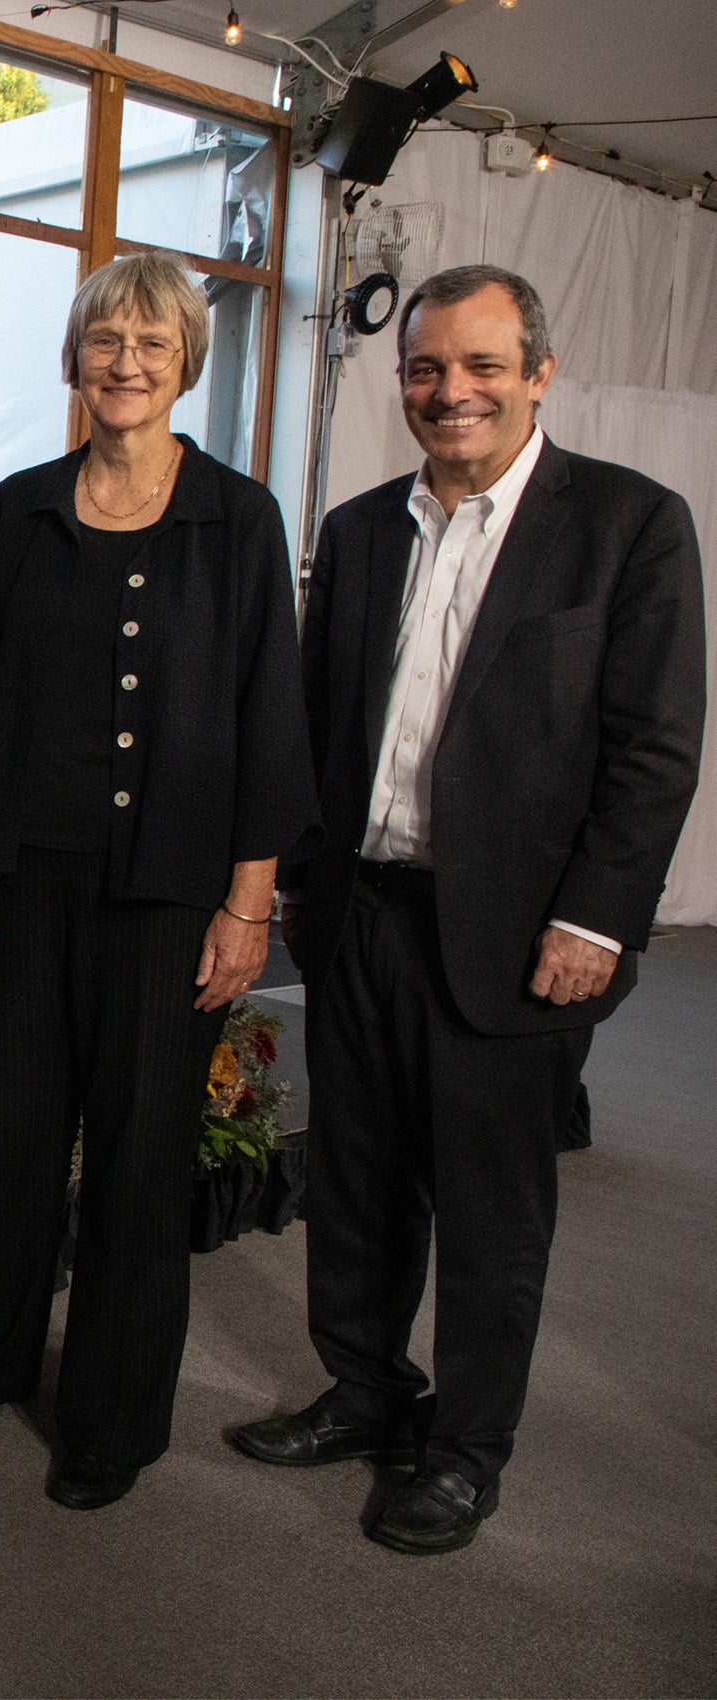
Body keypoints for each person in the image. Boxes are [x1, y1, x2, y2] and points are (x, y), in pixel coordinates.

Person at [229, 265, 705, 1553]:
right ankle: (366, 1390)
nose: (454, 391)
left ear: (539, 372)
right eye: (431, 368)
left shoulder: (629, 524)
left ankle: (466, 1448)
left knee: (494, 1212)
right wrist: (300, 886)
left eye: (484, 365)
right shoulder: (367, 521)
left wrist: (597, 922)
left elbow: (656, 749)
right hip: (367, 913)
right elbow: (321, 724)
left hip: (523, 935)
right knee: (363, 1181)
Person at [0, 253, 318, 1509]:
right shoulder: (21, 510)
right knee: (21, 1137)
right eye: (105, 339)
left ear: (185, 358)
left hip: (171, 895)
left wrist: (250, 902)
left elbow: (270, 717)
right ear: (75, 358)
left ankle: (112, 1414)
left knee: (143, 1158)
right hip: (23, 880)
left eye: (150, 341)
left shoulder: (239, 517)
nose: (125, 362)